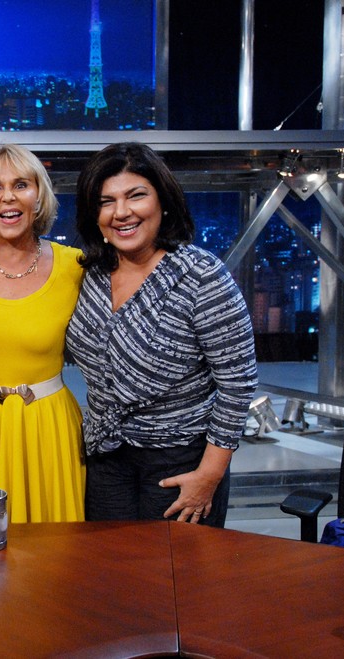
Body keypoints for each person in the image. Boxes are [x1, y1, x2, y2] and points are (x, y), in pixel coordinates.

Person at [65, 142, 258, 527]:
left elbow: (238, 385)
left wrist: (210, 476)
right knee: (111, 578)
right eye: (107, 201)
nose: (122, 212)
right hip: (105, 460)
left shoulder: (200, 275)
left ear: (163, 201)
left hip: (180, 463)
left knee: (175, 583)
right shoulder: (90, 273)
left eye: (136, 195)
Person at [0, 144, 86, 524]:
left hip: (49, 430)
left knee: (54, 557)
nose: (8, 196)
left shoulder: (74, 266)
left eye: (21, 184)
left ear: (38, 196)